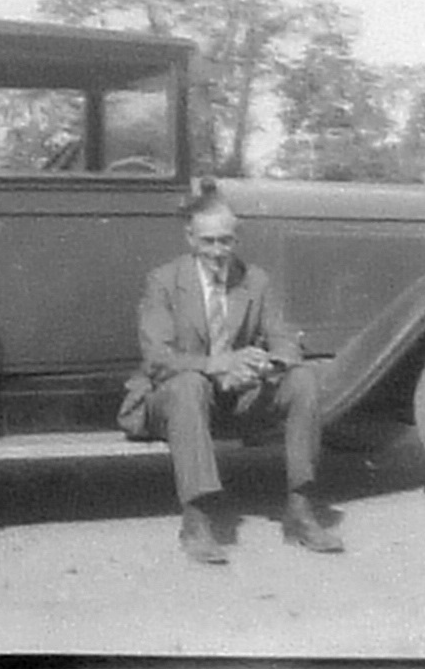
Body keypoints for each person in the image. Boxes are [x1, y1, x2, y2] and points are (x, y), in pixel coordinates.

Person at [118, 181, 345, 565]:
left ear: (236, 240)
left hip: (237, 395)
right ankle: (197, 519)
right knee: (189, 385)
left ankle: (300, 508)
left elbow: (285, 340)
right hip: (174, 400)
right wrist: (218, 364)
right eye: (208, 241)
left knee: (302, 378)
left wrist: (264, 365)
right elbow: (157, 358)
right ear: (190, 238)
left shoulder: (255, 280)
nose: (217, 251)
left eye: (225, 241)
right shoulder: (164, 281)